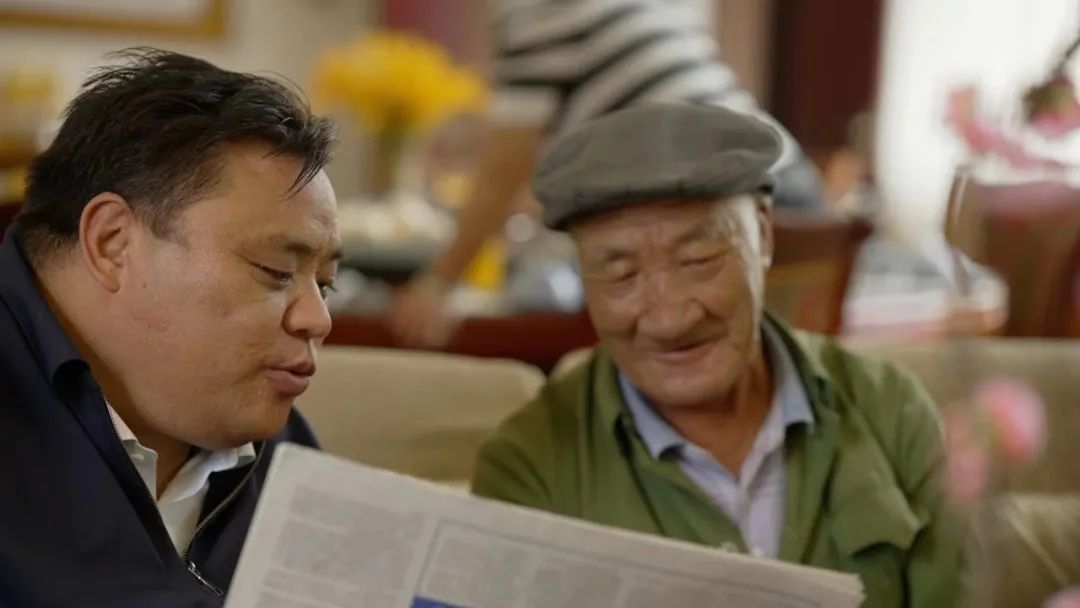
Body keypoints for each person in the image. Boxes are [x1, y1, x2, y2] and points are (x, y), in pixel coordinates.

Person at [471, 103, 964, 607]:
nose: (670, 318)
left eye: (698, 260)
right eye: (621, 275)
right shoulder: (530, 464)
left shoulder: (890, 410)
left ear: (763, 236)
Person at [0, 49, 339, 606]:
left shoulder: (282, 454)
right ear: (112, 243)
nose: (316, 319)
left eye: (325, 285)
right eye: (276, 271)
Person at [390, 0, 825, 348]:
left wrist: (438, 283)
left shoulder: (538, 13)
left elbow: (506, 166)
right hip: (794, 188)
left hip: (732, 202)